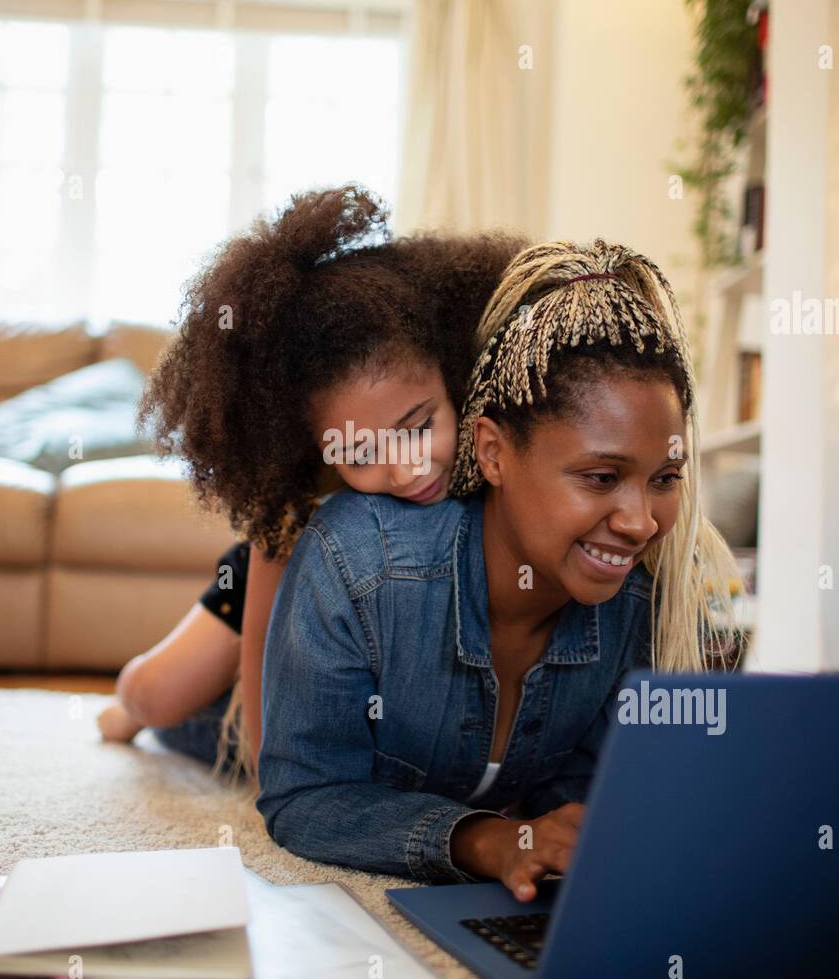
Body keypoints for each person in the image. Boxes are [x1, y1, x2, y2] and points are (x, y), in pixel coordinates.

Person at [255, 239, 742, 900]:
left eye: (662, 479)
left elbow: (575, 799)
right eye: (601, 477)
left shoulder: (636, 606)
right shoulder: (355, 561)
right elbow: (306, 796)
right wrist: (483, 839)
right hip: (261, 665)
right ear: (490, 452)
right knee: (182, 708)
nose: (640, 521)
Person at [97, 184, 524, 776]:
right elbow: (264, 668)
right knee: (158, 695)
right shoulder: (296, 512)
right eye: (361, 452)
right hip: (262, 601)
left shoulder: (492, 454)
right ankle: (136, 709)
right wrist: (272, 773)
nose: (406, 469)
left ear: (454, 376)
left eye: (418, 426)